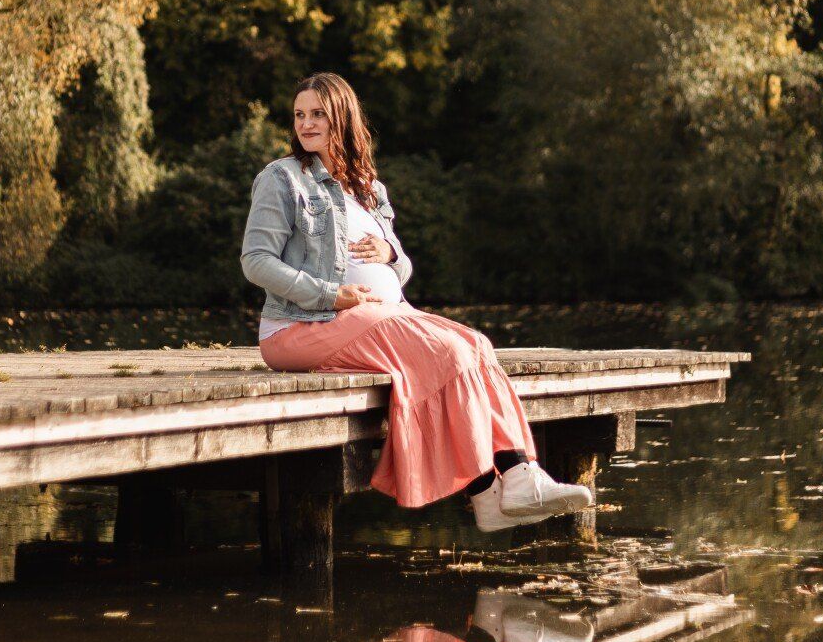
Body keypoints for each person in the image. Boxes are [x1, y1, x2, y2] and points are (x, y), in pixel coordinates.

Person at [241, 71, 594, 532]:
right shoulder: (283, 178)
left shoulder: (369, 188)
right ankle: (504, 483)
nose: (306, 124)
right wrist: (332, 294)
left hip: (382, 315)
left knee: (476, 346)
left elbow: (400, 267)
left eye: (318, 115)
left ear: (342, 118)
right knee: (447, 351)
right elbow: (256, 261)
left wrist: (391, 254)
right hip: (302, 326)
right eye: (299, 115)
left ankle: (501, 487)